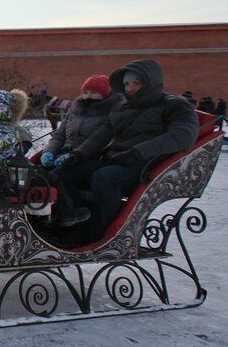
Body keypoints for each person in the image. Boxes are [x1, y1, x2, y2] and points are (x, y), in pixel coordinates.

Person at [58, 60, 198, 241]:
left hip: (145, 165)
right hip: (117, 159)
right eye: (126, 84)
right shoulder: (122, 107)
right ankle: (77, 219)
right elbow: (101, 136)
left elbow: (182, 136)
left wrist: (138, 151)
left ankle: (99, 232)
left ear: (150, 82)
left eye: (136, 83)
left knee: (105, 177)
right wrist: (78, 154)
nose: (130, 88)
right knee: (63, 173)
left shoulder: (175, 105)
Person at [40, 74, 122, 226]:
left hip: (89, 158)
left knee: (59, 175)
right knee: (38, 173)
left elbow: (99, 141)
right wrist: (49, 152)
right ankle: (44, 215)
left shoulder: (111, 113)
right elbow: (59, 136)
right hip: (64, 154)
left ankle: (74, 211)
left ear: (104, 93)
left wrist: (72, 156)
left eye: (93, 92)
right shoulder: (75, 110)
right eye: (85, 92)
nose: (87, 96)